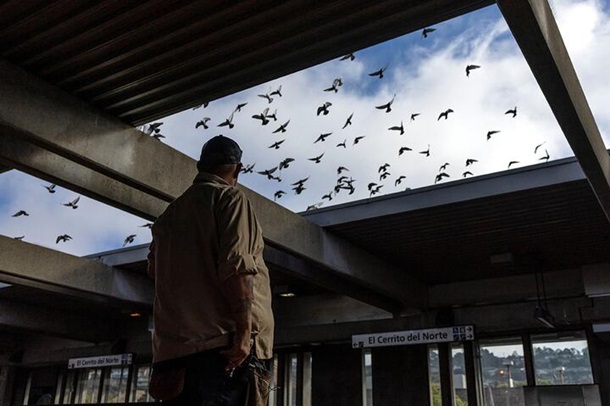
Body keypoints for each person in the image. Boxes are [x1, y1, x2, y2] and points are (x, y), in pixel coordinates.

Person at [147, 135, 274, 405]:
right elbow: (237, 267)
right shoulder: (230, 198)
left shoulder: (166, 218)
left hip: (172, 358)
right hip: (221, 352)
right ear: (237, 169)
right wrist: (243, 335)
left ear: (199, 166)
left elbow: (154, 272)